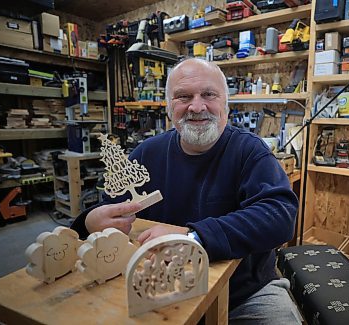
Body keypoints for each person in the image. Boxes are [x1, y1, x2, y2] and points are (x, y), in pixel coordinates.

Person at [71, 58, 300, 324]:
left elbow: (280, 217)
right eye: (183, 97)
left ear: (226, 103)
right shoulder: (146, 153)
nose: (197, 106)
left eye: (209, 95)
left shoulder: (250, 152)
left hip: (244, 293)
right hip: (159, 287)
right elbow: (111, 209)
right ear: (169, 108)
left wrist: (192, 236)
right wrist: (90, 221)